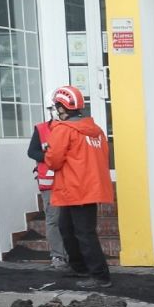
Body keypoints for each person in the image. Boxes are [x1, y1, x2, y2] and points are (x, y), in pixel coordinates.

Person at [42, 85, 114, 288]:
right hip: (88, 187)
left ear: (61, 107)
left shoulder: (63, 130)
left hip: (74, 188)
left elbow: (53, 162)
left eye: (56, 107)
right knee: (68, 228)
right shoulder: (96, 130)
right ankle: (80, 268)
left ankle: (100, 275)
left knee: (83, 233)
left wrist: (48, 150)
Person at [25, 97, 69, 269]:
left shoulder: (72, 128)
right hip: (50, 183)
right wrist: (51, 158)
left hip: (71, 182)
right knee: (54, 220)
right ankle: (58, 256)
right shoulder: (41, 129)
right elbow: (32, 151)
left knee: (72, 220)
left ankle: (73, 256)